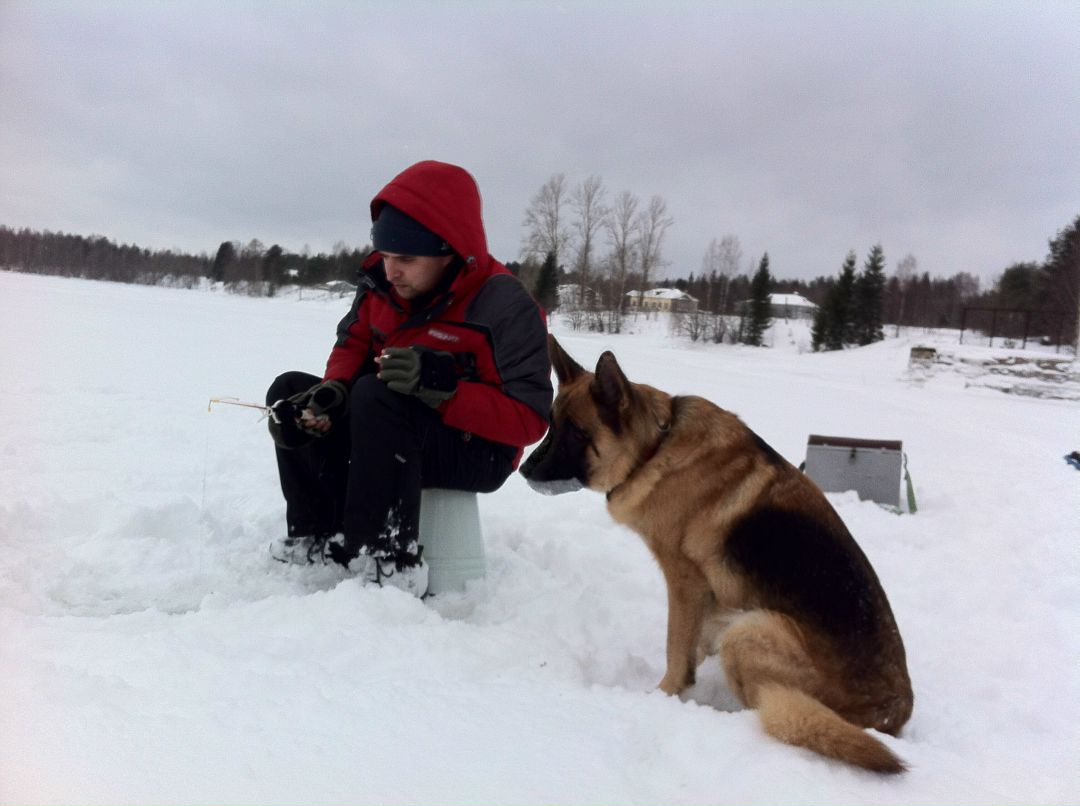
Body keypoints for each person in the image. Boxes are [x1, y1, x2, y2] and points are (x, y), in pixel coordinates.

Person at [265, 160, 553, 596]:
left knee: (377, 396)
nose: (391, 270)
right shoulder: (381, 284)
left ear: (450, 251)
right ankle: (317, 534)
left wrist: (446, 391)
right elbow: (352, 343)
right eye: (385, 255)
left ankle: (385, 557)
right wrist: (333, 391)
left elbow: (529, 419)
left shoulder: (505, 307)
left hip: (477, 452)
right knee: (291, 390)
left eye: (406, 259)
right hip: (387, 425)